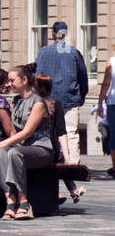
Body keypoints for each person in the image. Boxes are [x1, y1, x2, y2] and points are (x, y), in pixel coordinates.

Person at [0, 65, 52, 220]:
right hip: (23, 148)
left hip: (40, 148)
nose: (9, 84)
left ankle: (24, 202)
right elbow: (14, 131)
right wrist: (2, 146)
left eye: (11, 80)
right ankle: (10, 200)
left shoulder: (38, 103)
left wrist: (1, 143)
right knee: (2, 153)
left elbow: (27, 132)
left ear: (24, 80)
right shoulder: (16, 101)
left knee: (13, 152)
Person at [34, 21, 88, 166]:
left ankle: (51, 161)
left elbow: (37, 76)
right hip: (69, 97)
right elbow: (83, 76)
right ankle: (73, 164)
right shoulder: (74, 52)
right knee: (70, 132)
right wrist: (82, 95)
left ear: (53, 34)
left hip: (48, 99)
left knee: (49, 131)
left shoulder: (44, 52)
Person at [35, 75, 85, 203]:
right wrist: (67, 157)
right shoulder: (54, 104)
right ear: (50, 88)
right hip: (52, 150)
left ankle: (63, 192)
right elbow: (61, 132)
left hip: (34, 148)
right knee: (59, 160)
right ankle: (72, 191)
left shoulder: (30, 103)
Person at [99, 53, 115, 179]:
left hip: (113, 102)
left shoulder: (111, 62)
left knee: (113, 135)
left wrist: (100, 102)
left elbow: (106, 84)